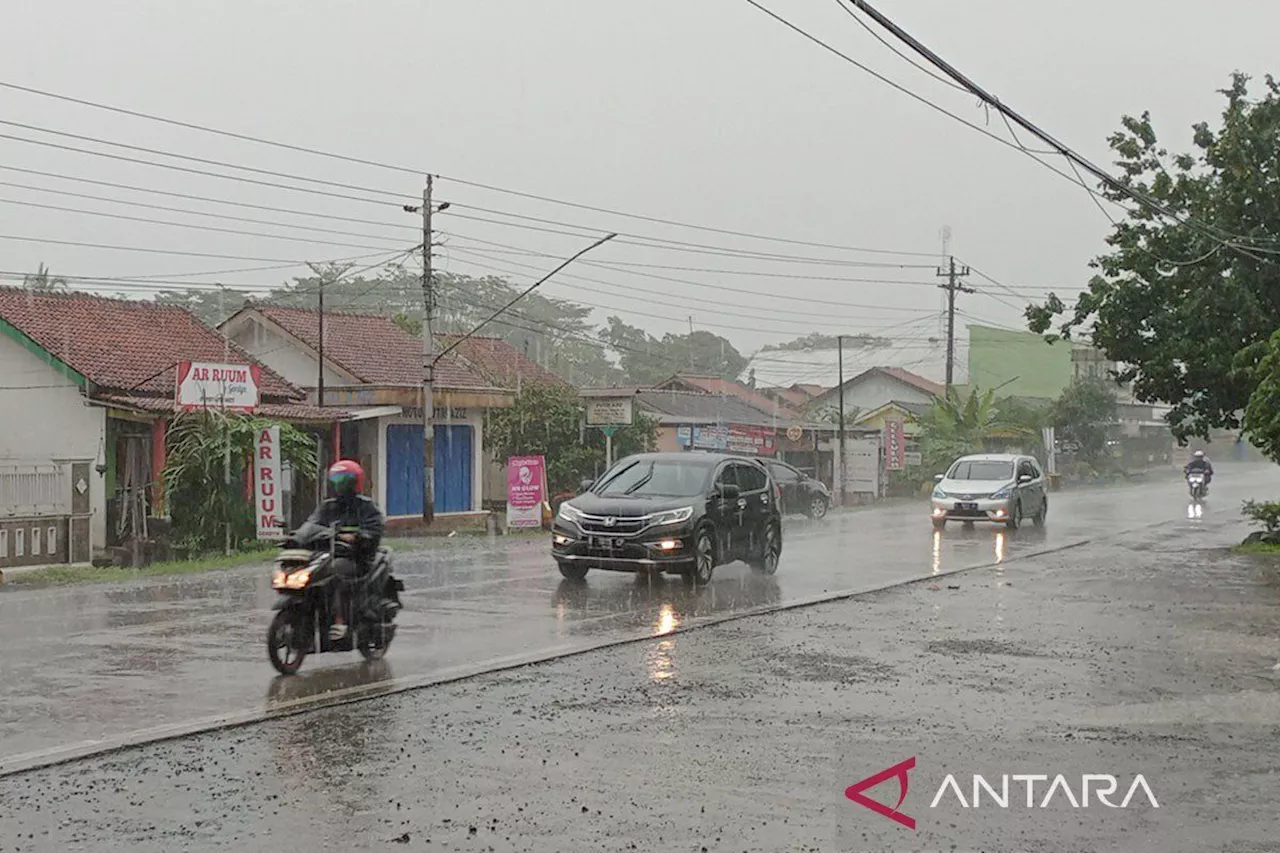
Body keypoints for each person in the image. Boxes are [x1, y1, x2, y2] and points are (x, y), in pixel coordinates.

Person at [301, 460, 385, 641]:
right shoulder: (328, 506)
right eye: (337, 480)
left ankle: (340, 621)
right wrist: (297, 536)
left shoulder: (366, 507)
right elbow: (312, 524)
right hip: (327, 554)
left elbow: (374, 530)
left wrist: (359, 537)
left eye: (345, 481)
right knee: (308, 573)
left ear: (356, 483)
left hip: (358, 558)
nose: (341, 485)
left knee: (334, 571)